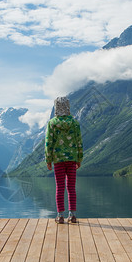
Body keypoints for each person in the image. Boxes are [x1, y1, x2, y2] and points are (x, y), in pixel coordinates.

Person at [45, 96, 83, 224]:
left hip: (58, 160)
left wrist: (48, 159)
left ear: (56, 107)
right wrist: (79, 158)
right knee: (71, 187)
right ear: (68, 106)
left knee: (60, 187)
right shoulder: (75, 123)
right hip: (72, 159)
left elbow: (48, 143)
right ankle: (72, 215)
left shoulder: (52, 123)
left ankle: (60, 215)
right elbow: (79, 142)